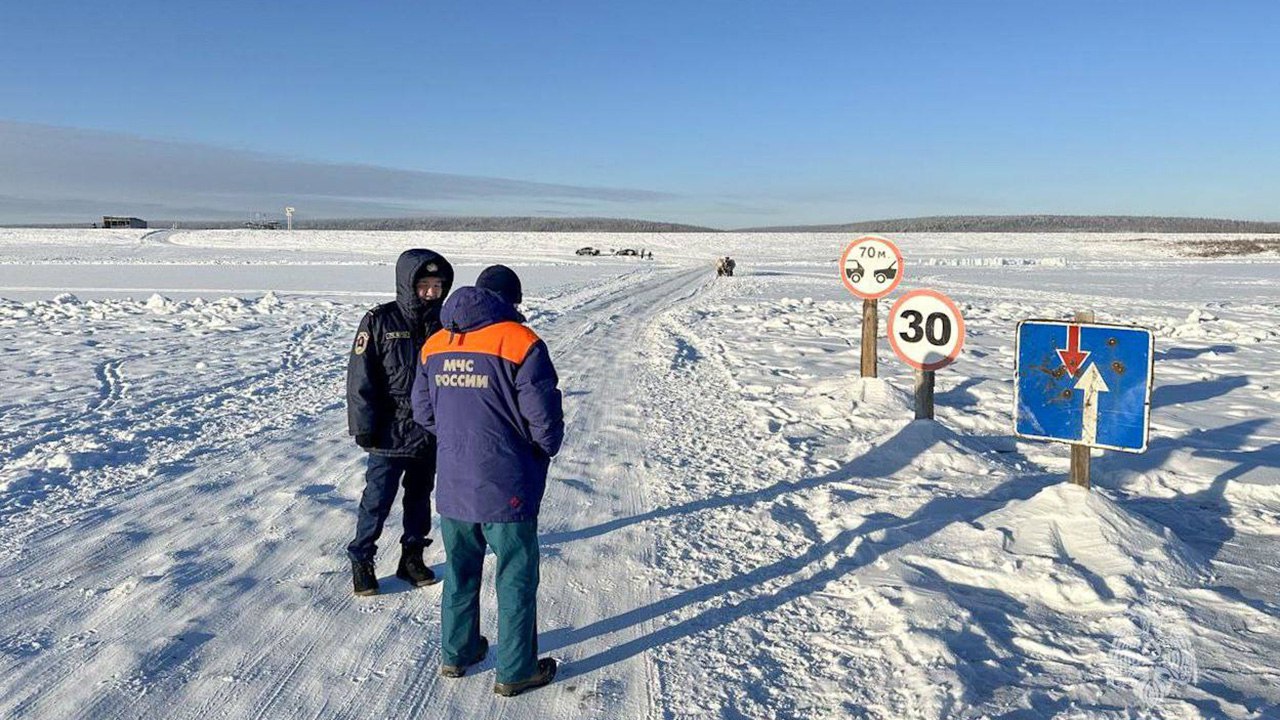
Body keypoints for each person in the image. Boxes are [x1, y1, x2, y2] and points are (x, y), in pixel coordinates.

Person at [411, 264, 564, 696]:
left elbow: (424, 414)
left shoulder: (435, 344)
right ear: (511, 301)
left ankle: (457, 653)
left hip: (455, 483)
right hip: (508, 484)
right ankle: (516, 670)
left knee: (460, 571)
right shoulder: (522, 342)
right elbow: (545, 423)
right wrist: (539, 451)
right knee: (515, 575)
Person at [346, 248, 454, 596]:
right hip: (388, 433)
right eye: (424, 285)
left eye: (437, 286)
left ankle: (412, 556)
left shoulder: (447, 324)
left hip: (429, 432)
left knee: (420, 498)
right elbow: (360, 377)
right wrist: (363, 424)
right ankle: (362, 558)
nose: (431, 293)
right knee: (377, 500)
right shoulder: (380, 321)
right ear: (408, 284)